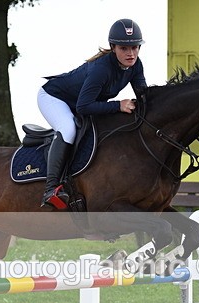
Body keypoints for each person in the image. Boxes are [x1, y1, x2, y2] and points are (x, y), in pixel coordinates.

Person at [38, 18, 148, 209]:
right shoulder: (101, 69)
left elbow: (144, 97)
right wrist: (117, 106)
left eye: (135, 47)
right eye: (124, 48)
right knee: (68, 128)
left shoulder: (135, 66)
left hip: (81, 101)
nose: (131, 53)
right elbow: (83, 107)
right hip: (54, 98)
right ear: (113, 47)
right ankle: (51, 188)